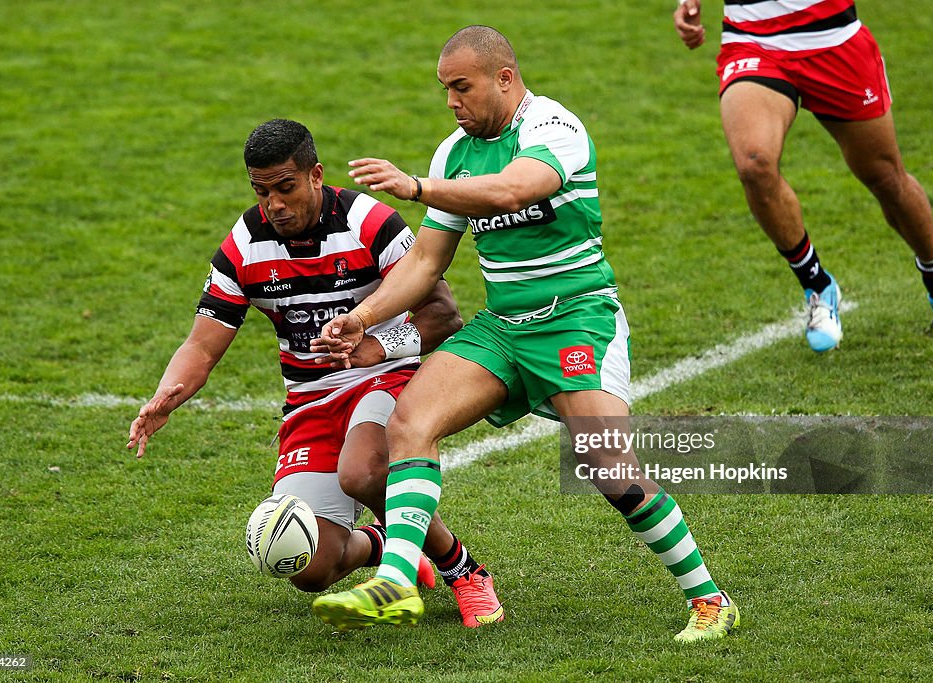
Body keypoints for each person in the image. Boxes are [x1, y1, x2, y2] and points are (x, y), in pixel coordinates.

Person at [309, 26, 739, 642]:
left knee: (609, 466)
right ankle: (399, 581)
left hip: (578, 317)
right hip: (506, 327)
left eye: (462, 88)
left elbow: (518, 187)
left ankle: (710, 599)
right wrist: (364, 317)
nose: (452, 102)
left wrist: (418, 189)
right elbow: (428, 262)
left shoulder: (554, 128)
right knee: (409, 423)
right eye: (445, 91)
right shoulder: (453, 152)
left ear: (504, 78)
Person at [125, 119, 503, 628]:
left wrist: (375, 346)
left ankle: (465, 571)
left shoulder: (369, 221)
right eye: (262, 192)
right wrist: (167, 395)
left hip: (385, 380)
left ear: (316, 175)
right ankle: (387, 546)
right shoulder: (245, 244)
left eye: (286, 188)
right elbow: (201, 343)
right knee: (307, 563)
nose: (274, 205)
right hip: (309, 403)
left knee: (363, 472)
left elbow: (443, 317)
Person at [674, 0, 933, 350]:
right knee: (754, 164)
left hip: (834, 40)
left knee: (886, 179)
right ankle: (817, 285)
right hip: (752, 39)